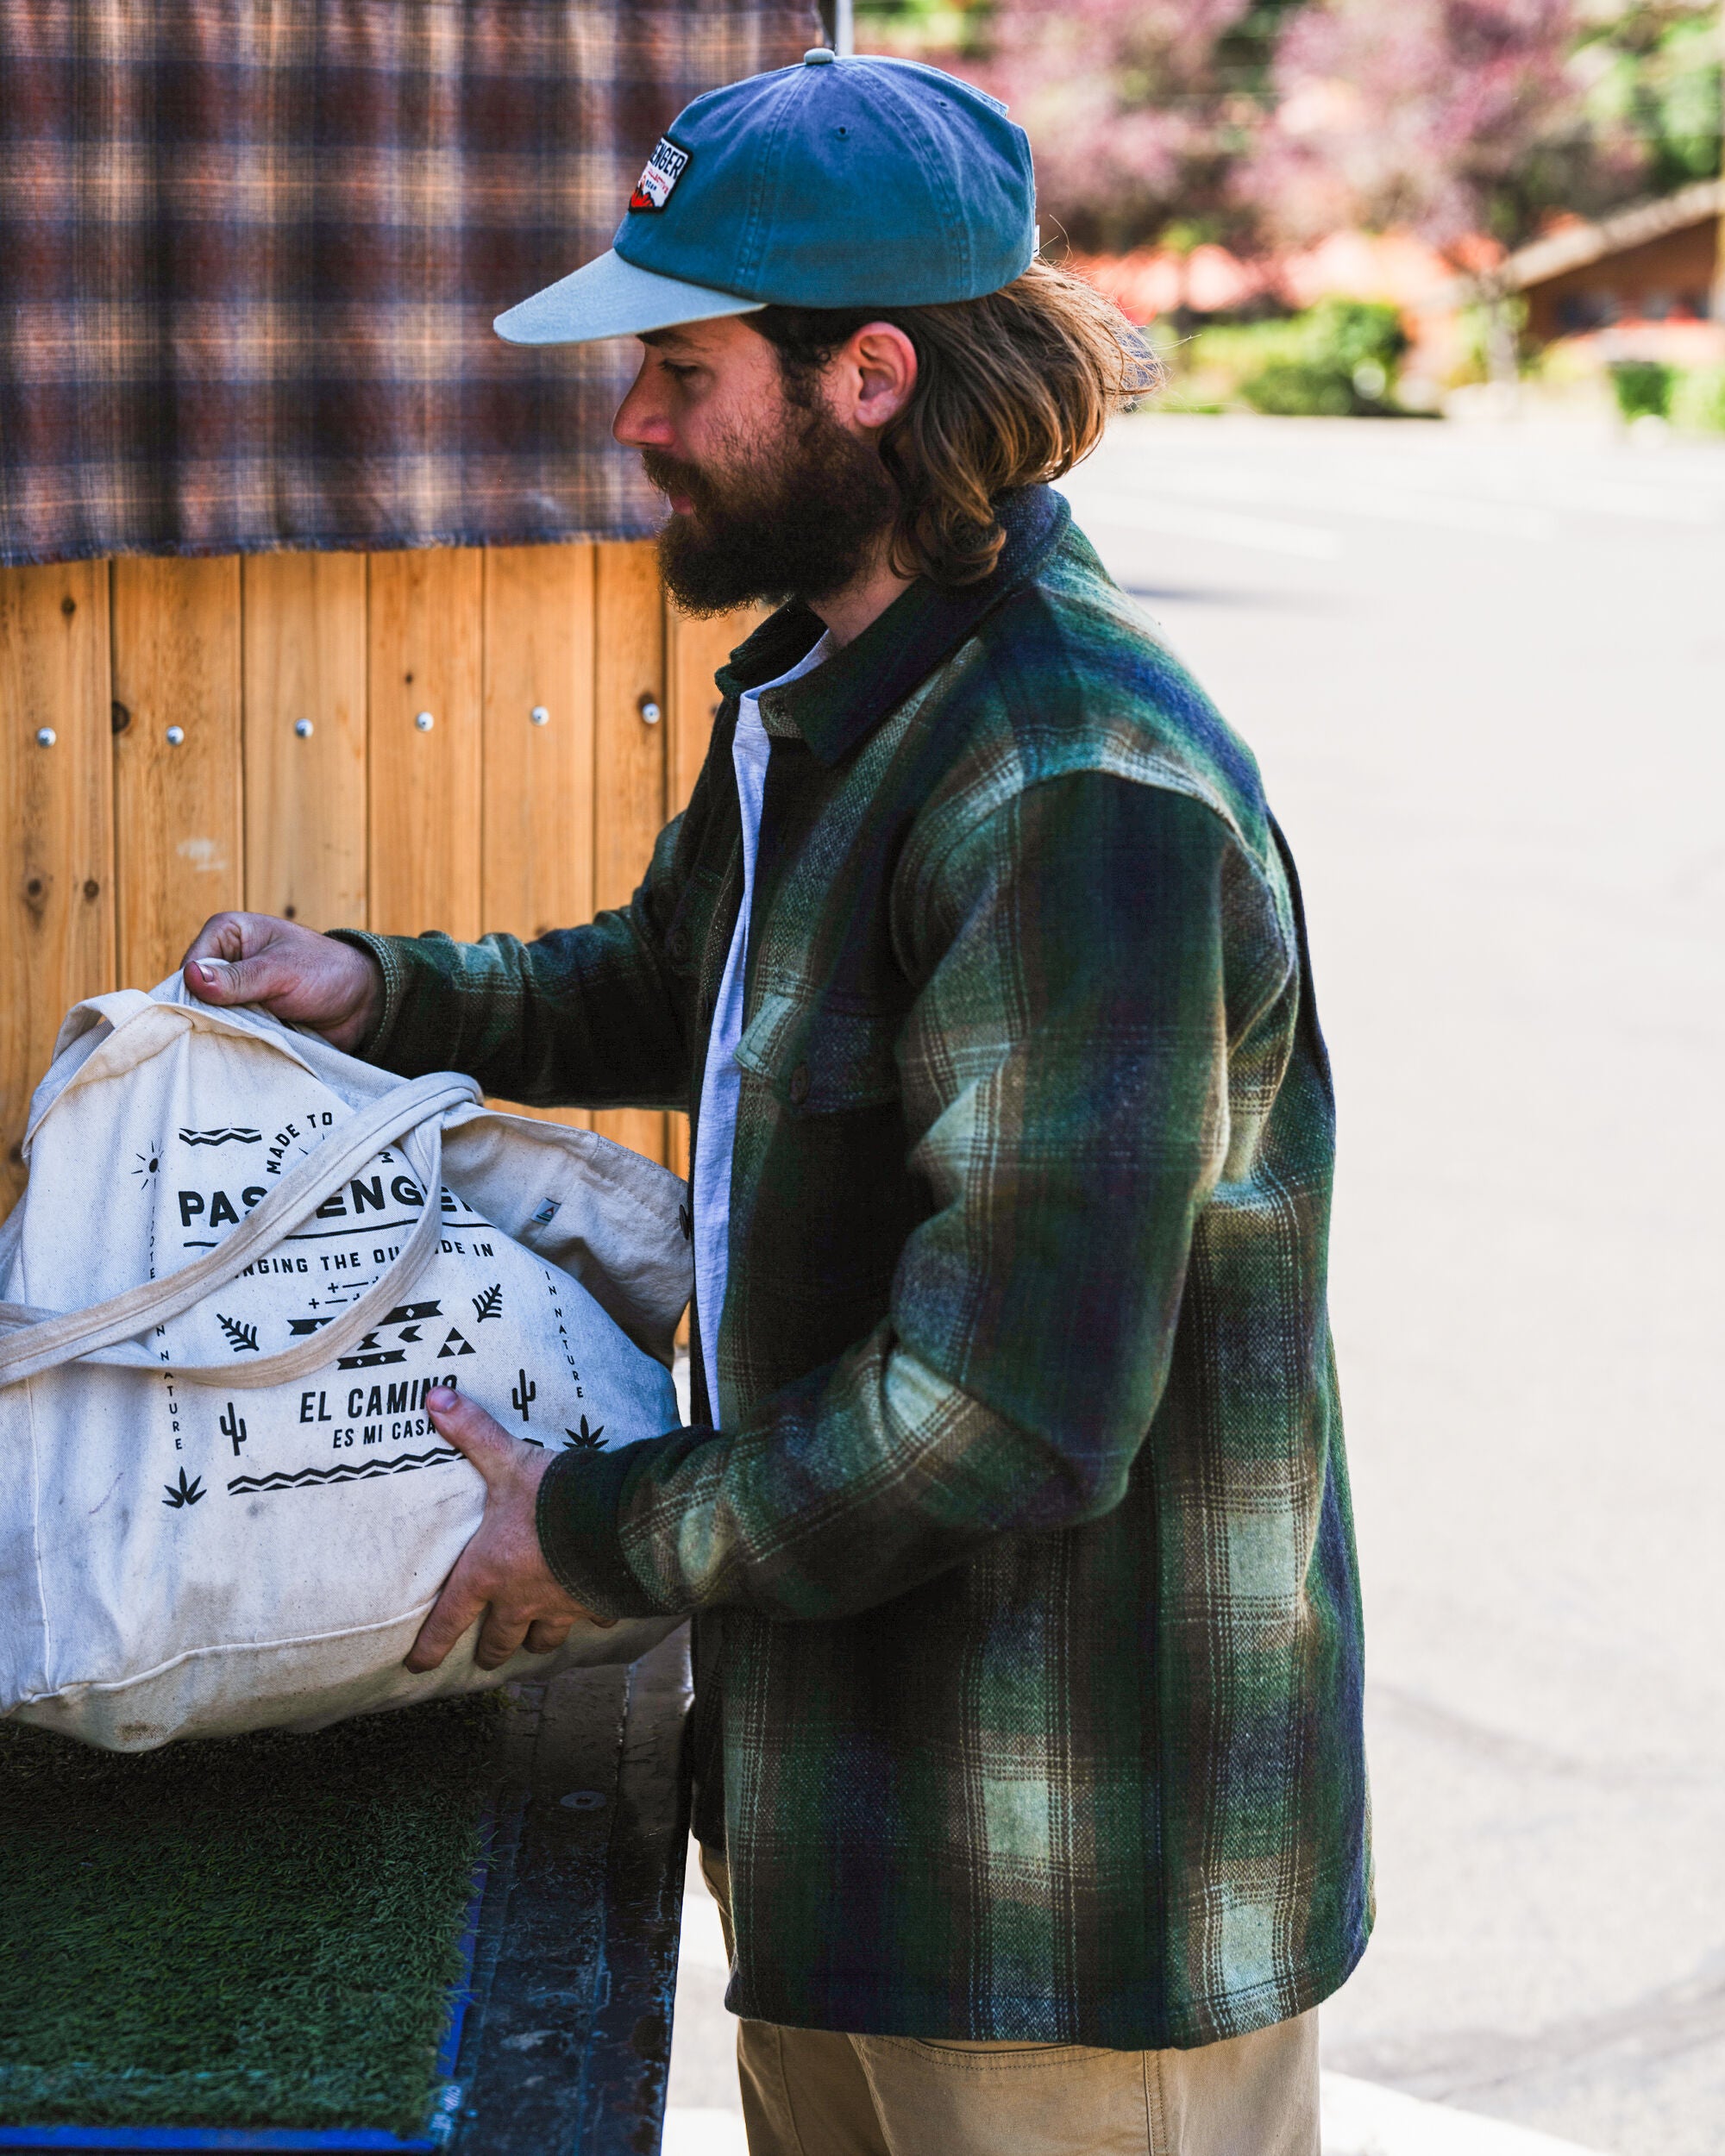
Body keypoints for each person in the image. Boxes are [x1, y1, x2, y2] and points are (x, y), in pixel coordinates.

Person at [184, 50, 1369, 2156]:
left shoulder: (1071, 786)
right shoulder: (835, 680)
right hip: (849, 1846)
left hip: (1059, 1920)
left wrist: (596, 1527)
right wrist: (370, 989)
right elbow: (673, 985)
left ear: (873, 378)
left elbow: (999, 1415)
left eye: (679, 366)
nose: (630, 420)